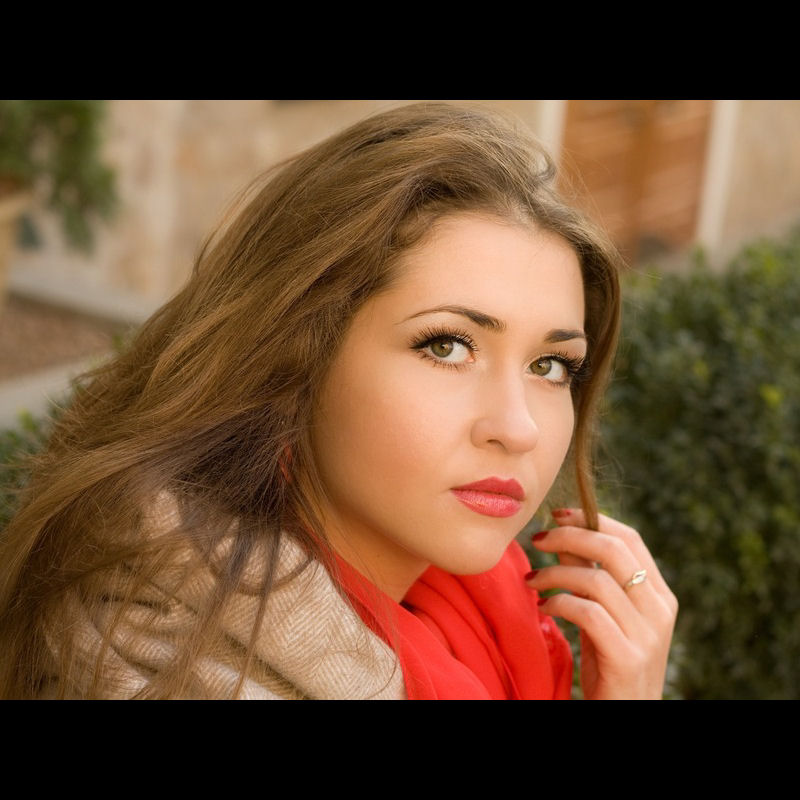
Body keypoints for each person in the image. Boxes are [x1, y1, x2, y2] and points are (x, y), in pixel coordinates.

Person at [0, 101, 677, 700]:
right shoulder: (169, 667)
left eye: (550, 366)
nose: (519, 427)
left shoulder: (482, 620)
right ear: (294, 358)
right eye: (447, 346)